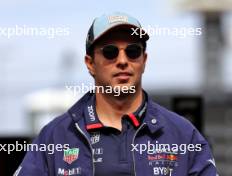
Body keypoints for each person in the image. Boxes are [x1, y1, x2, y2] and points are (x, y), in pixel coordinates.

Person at [14, 12, 218, 176]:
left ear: (144, 61)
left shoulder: (183, 135)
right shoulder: (55, 137)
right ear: (90, 63)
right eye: (110, 52)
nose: (122, 60)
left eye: (132, 51)